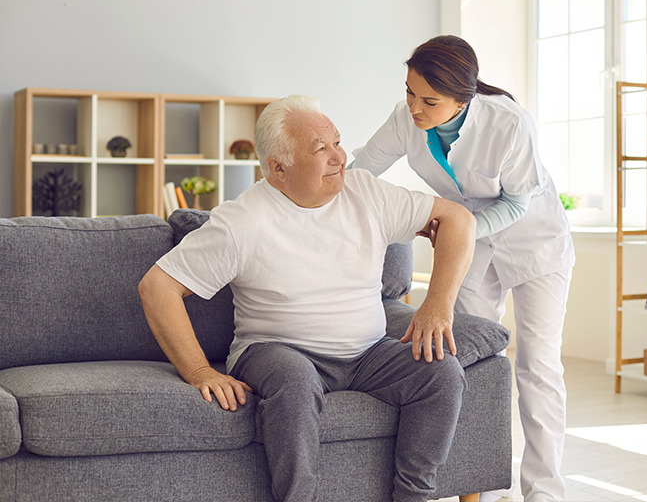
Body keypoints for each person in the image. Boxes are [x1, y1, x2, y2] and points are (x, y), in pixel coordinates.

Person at [138, 95, 477, 502]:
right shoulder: (242, 221)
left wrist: (436, 305)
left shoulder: (366, 192)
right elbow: (158, 287)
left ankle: (413, 498)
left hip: (369, 354)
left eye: (337, 142)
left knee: (441, 371)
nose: (339, 157)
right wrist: (198, 371)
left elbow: (458, 219)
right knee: (295, 379)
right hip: (275, 350)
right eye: (321, 149)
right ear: (279, 168)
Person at [350, 35, 575, 502]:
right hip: (474, 246)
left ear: (463, 98)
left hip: (537, 243)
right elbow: (361, 172)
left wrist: (461, 228)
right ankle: (483, 484)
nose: (415, 107)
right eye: (409, 92)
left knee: (538, 365)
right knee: (472, 360)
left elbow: (516, 200)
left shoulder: (509, 124)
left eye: (429, 100)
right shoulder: (405, 118)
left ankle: (545, 492)